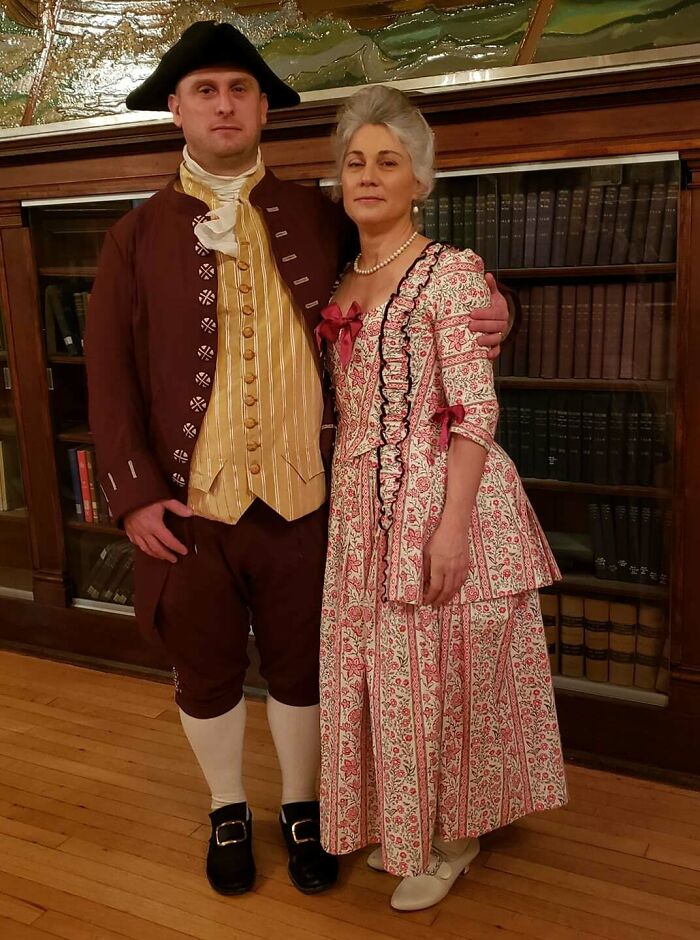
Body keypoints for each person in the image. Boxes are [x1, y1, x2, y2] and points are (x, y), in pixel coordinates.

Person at [85, 22, 510, 898]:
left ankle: (303, 808)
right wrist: (132, 496)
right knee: (204, 668)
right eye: (205, 90)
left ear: (264, 108)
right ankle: (227, 807)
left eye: (240, 88)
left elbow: (410, 281)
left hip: (308, 498)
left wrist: (496, 309)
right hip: (191, 507)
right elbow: (108, 373)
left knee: (304, 664)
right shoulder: (133, 236)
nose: (225, 104)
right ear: (175, 110)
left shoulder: (321, 214)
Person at [317, 84, 568, 912]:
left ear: (420, 180)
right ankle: (407, 823)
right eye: (356, 162)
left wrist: (452, 528)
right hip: (362, 506)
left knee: (448, 675)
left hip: (440, 498)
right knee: (393, 674)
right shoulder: (343, 277)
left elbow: (474, 410)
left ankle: (455, 839)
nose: (369, 176)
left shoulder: (451, 272)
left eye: (389, 162)